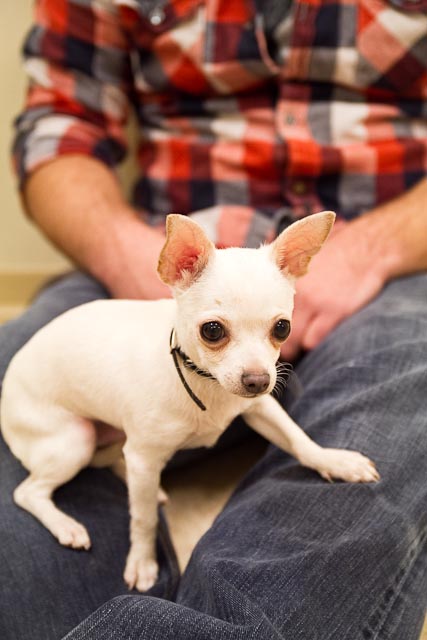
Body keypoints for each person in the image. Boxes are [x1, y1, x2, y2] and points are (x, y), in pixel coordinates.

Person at [1, 0, 427, 638]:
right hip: (150, 252)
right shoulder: (176, 270)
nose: (259, 371)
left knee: (401, 406)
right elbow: (60, 119)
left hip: (387, 255)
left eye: (277, 333)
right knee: (13, 381)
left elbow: (257, 394)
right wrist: (123, 251)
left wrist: (374, 249)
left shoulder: (274, 320)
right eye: (216, 333)